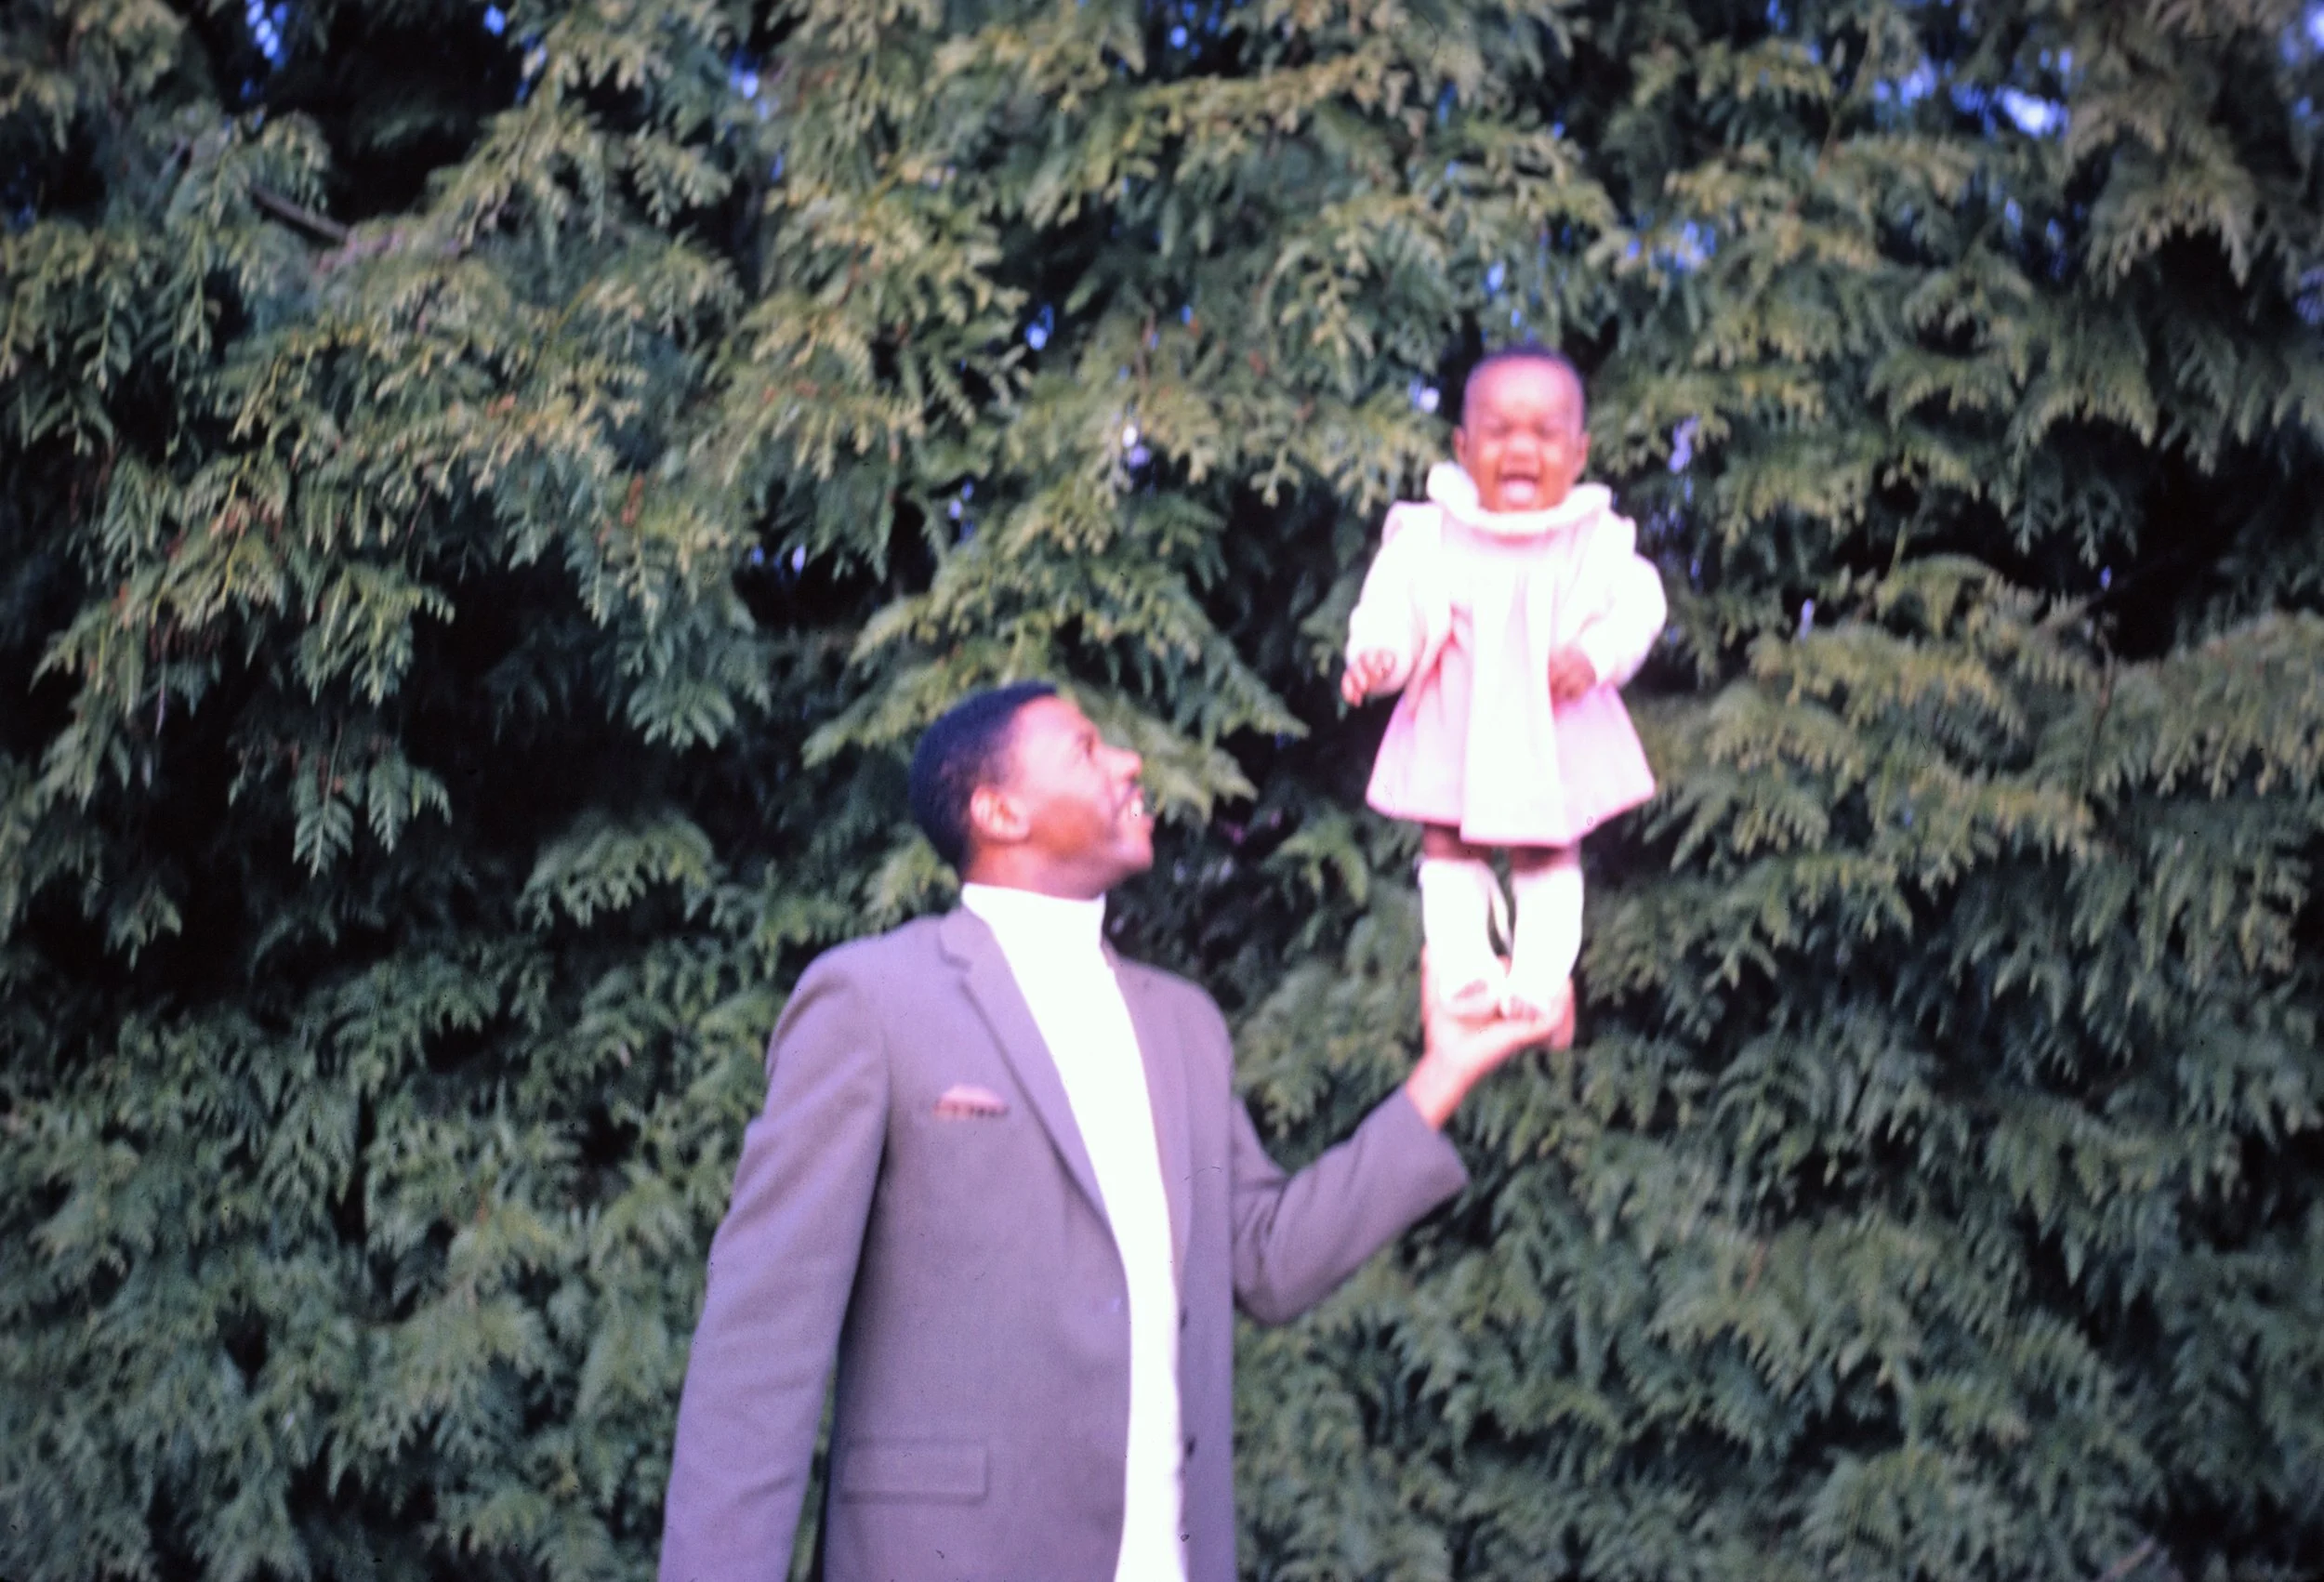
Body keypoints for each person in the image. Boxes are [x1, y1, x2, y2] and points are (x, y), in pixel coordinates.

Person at [658, 682, 1570, 1582]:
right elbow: (759, 1349)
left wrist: (1442, 1072)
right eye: (1088, 749)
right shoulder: (870, 1001)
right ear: (999, 809)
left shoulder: (1183, 1024)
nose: (1131, 763)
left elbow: (1269, 1260)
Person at [1341, 345, 1667, 1023]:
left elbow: (1639, 605)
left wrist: (1597, 654)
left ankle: (1541, 970)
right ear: (1463, 447)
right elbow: (1392, 604)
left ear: (1578, 454)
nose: (1522, 449)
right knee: (1447, 836)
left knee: (1547, 841)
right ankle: (1464, 965)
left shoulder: (1592, 538)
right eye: (1499, 432)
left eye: (1546, 435)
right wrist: (1379, 655)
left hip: (1552, 718)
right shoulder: (1431, 533)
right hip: (1454, 718)